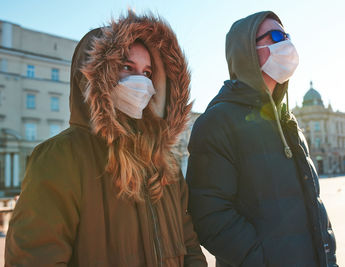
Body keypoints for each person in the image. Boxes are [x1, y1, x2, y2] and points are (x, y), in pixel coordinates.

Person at [5, 11, 207, 267]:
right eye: (126, 67)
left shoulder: (165, 164)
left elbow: (188, 245)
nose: (140, 82)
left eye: (147, 73)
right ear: (95, 76)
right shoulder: (60, 158)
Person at [186, 11, 338, 267]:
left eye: (287, 36)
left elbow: (314, 207)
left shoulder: (288, 123)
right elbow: (209, 215)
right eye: (277, 36)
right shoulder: (216, 122)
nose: (287, 44)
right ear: (247, 51)